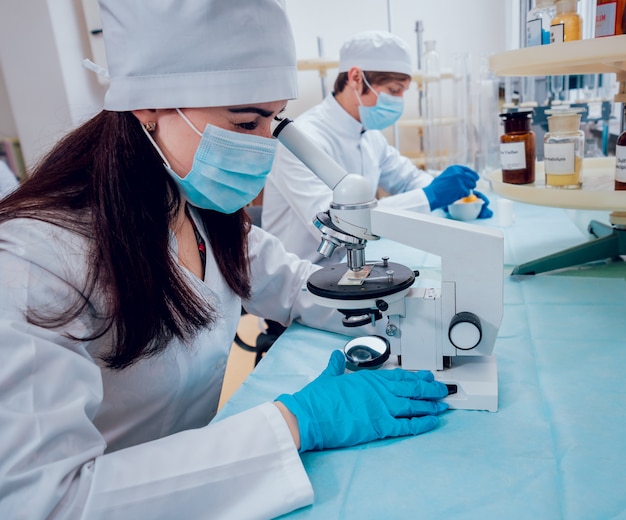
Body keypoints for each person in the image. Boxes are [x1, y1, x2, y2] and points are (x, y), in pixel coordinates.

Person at [0, 2, 450, 518]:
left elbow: (298, 285)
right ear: (148, 105)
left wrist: (412, 310)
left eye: (272, 122)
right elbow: (45, 504)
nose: (263, 149)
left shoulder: (202, 211)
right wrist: (298, 424)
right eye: (244, 122)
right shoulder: (36, 262)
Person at [262, 30, 492, 265]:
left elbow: (406, 179)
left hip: (354, 266)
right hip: (303, 281)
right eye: (394, 90)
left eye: (403, 92)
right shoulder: (302, 141)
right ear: (355, 78)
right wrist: (431, 196)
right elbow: (338, 224)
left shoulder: (370, 135)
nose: (399, 101)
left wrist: (457, 199)